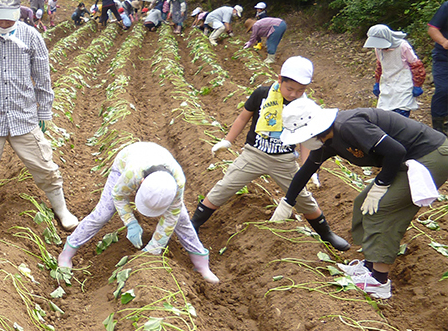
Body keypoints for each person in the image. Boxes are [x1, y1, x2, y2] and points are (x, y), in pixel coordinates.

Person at [279, 98, 448, 299]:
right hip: (407, 159)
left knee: (383, 209)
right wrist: (287, 201)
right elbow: (307, 170)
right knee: (363, 202)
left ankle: (379, 281)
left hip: (431, 155)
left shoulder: (349, 126)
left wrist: (380, 186)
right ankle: (369, 266)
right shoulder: (327, 139)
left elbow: (396, 151)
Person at [0, 0, 80, 240]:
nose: (5, 21)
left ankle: (62, 210)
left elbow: (43, 77)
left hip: (24, 117)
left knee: (45, 167)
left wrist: (44, 111)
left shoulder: (31, 36)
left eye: (10, 16)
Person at [192, 57, 349, 250]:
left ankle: (327, 234)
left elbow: (306, 140)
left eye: (300, 91)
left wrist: (310, 169)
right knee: (224, 187)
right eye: (290, 89)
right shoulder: (262, 94)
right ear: (280, 79)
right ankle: (194, 224)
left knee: (303, 199)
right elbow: (243, 118)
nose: (294, 94)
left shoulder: (305, 107)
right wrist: (227, 140)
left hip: (284, 160)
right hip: (254, 154)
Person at [56, 142, 219, 284]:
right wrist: (131, 222)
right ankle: (67, 253)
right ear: (140, 184)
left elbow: (170, 219)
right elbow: (119, 196)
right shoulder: (131, 175)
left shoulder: (177, 183)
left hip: (159, 159)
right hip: (126, 160)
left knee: (182, 219)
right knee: (103, 213)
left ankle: (201, 264)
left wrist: (152, 250)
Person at [364, 24, 426, 118]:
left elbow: (416, 65)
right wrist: (377, 83)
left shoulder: (403, 46)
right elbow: (380, 66)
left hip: (404, 83)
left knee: (401, 114)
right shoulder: (378, 49)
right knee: (383, 114)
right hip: (387, 82)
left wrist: (417, 84)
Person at [428, 0, 448, 133]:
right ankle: (439, 128)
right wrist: (444, 41)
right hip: (444, 58)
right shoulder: (447, 7)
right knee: (444, 90)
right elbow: (432, 29)